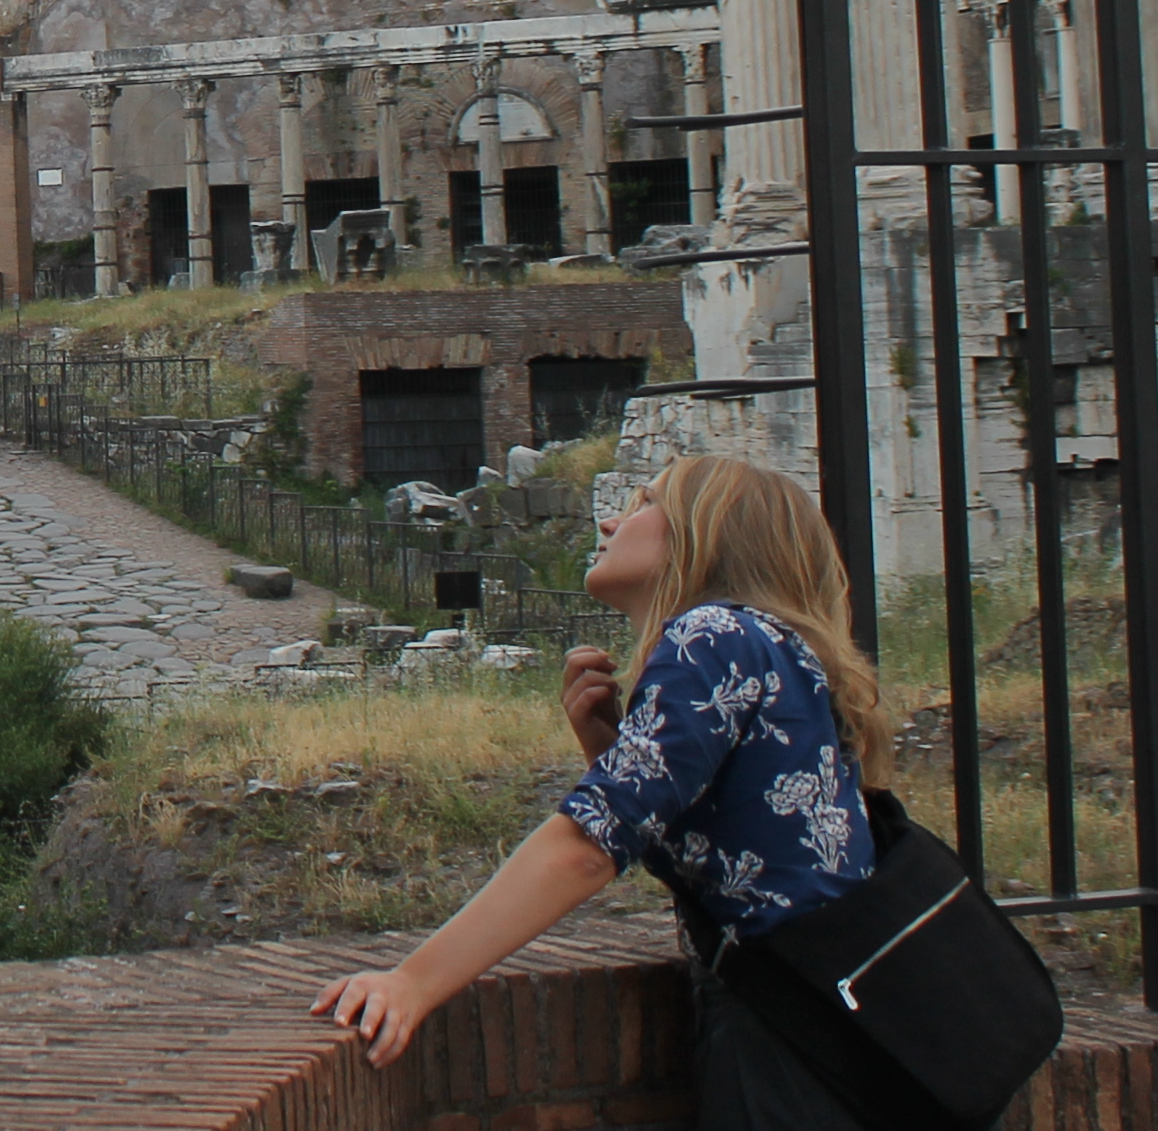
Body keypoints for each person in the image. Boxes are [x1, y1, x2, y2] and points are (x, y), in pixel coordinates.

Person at [312, 457, 897, 1127]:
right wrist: (607, 751)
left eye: (644, 502)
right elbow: (740, 865)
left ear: (701, 537)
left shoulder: (711, 636)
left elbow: (585, 851)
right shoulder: (775, 646)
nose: (610, 519)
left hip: (786, 1040)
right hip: (830, 1026)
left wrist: (411, 983)